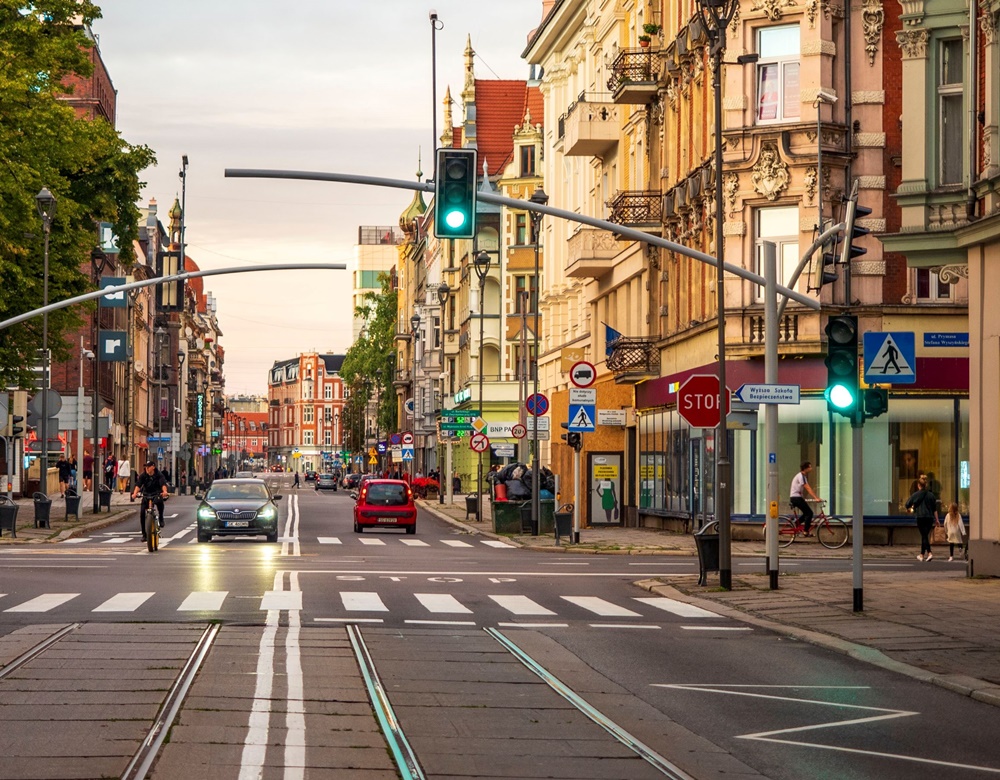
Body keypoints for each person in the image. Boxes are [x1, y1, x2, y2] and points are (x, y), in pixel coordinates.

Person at [906, 474, 940, 562]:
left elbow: (907, 504)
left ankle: (929, 553)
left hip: (920, 517)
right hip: (929, 518)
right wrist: (937, 520)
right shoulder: (931, 495)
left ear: (918, 485)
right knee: (924, 535)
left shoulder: (915, 495)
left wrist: (912, 507)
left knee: (924, 535)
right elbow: (934, 509)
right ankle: (921, 555)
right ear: (926, 485)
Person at [132, 460, 168, 541]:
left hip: (156, 493)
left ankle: (161, 518)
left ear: (153, 467)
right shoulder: (143, 475)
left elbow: (163, 484)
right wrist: (134, 494)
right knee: (142, 513)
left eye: (148, 466)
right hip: (146, 494)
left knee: (160, 502)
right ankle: (144, 534)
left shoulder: (159, 475)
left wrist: (164, 492)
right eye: (146, 467)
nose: (147, 468)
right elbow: (138, 485)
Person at [790, 461, 821, 535]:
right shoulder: (801, 476)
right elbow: (807, 488)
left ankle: (796, 524)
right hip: (796, 497)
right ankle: (806, 531)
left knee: (806, 513)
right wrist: (816, 498)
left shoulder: (803, 476)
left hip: (797, 497)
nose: (811, 468)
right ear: (805, 468)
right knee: (809, 513)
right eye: (810, 467)